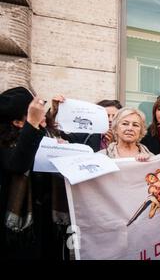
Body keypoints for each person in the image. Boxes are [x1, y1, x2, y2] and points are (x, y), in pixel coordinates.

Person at [0, 87, 70, 260]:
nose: (42, 114)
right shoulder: (5, 143)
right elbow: (17, 164)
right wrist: (32, 124)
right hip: (23, 226)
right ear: (18, 122)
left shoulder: (47, 134)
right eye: (34, 111)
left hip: (48, 219)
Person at [51, 97, 122, 152]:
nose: (110, 120)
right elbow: (61, 133)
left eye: (114, 116)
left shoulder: (127, 137)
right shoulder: (86, 135)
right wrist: (56, 110)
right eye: (106, 116)